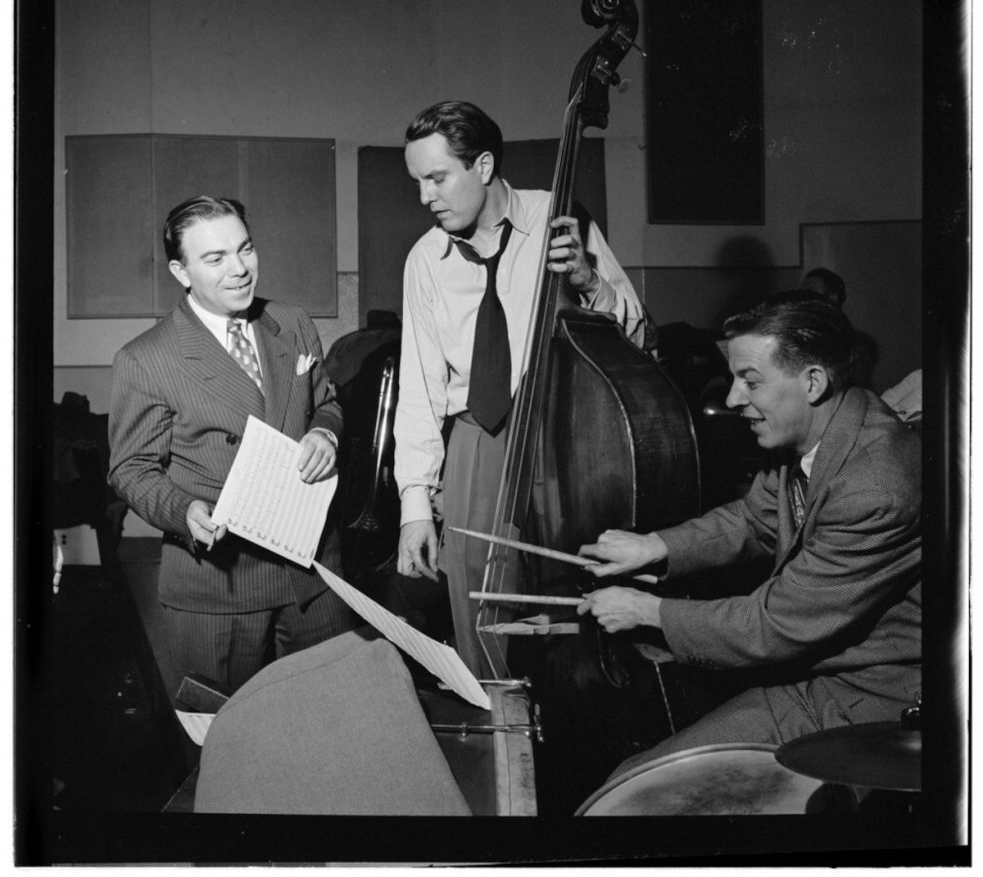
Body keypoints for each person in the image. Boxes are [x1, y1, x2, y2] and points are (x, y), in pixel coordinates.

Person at [577, 289, 921, 775]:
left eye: (750, 382)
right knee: (630, 779)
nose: (734, 398)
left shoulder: (877, 487)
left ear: (813, 382)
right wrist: (653, 546)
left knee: (639, 792)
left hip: (874, 698)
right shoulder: (822, 429)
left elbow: (773, 626)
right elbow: (753, 517)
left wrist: (645, 610)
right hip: (816, 672)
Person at [393, 100, 646, 677]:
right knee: (479, 618)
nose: (426, 196)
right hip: (477, 441)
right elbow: (420, 388)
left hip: (565, 440)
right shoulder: (425, 260)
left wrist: (590, 284)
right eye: (418, 182)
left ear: (483, 166)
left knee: (572, 605)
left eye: (438, 177)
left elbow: (637, 337)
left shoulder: (562, 219)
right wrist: (414, 506)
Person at [109, 196, 353, 695]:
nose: (240, 270)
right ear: (181, 271)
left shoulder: (294, 322)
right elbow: (131, 469)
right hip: (220, 589)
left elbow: (326, 400)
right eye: (215, 258)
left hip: (314, 579)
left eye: (245, 249)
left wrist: (325, 431)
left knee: (328, 734)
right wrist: (184, 510)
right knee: (227, 749)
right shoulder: (146, 358)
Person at [800, 266, 878, 387]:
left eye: (811, 290)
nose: (803, 296)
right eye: (801, 291)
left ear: (832, 298)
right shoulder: (798, 335)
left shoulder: (856, 345)